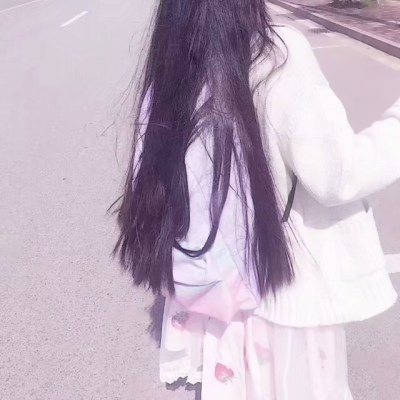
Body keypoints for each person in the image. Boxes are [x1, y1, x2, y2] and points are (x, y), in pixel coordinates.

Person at [114, 0, 400, 398]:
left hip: (214, 297)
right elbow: (338, 176)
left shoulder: (171, 66)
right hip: (282, 301)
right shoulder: (276, 54)